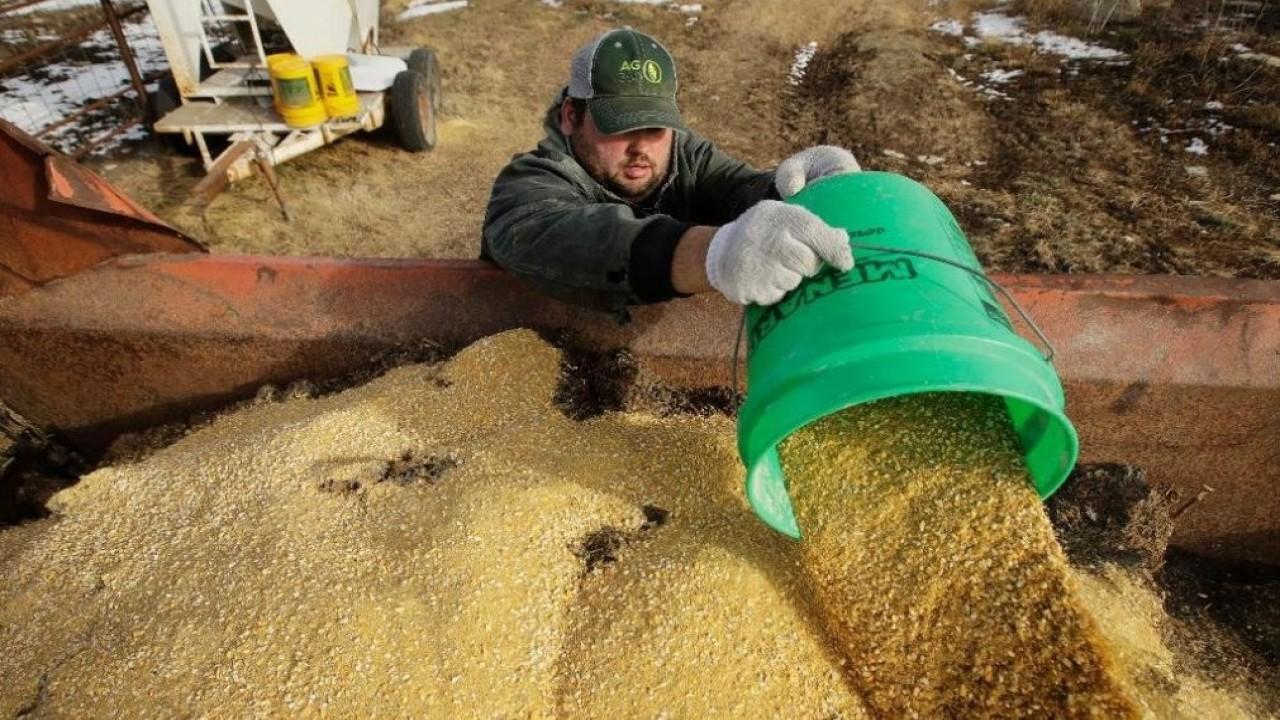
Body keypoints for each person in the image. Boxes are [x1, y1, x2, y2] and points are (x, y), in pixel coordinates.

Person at [482, 27, 861, 319]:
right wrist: (715, 253)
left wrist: (798, 190)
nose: (641, 148)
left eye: (655, 128)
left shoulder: (686, 156)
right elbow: (572, 237)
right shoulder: (528, 183)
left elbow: (737, 188)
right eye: (619, 127)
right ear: (570, 117)